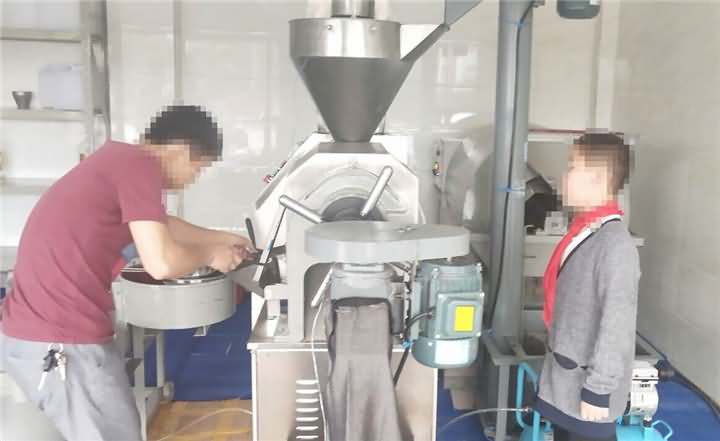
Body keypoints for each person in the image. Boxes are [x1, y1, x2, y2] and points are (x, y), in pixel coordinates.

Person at [0, 105, 253, 440]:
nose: (193, 179)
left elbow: (162, 224)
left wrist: (222, 239)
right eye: (199, 168)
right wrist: (211, 254)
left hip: (44, 331)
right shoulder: (139, 166)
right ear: (181, 150)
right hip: (61, 340)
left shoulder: (119, 161)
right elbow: (161, 263)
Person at [535, 133, 640, 441]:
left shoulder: (614, 245)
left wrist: (599, 389)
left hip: (588, 393)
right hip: (566, 382)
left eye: (572, 167)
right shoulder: (585, 231)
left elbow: (617, 324)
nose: (564, 176)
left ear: (597, 178)